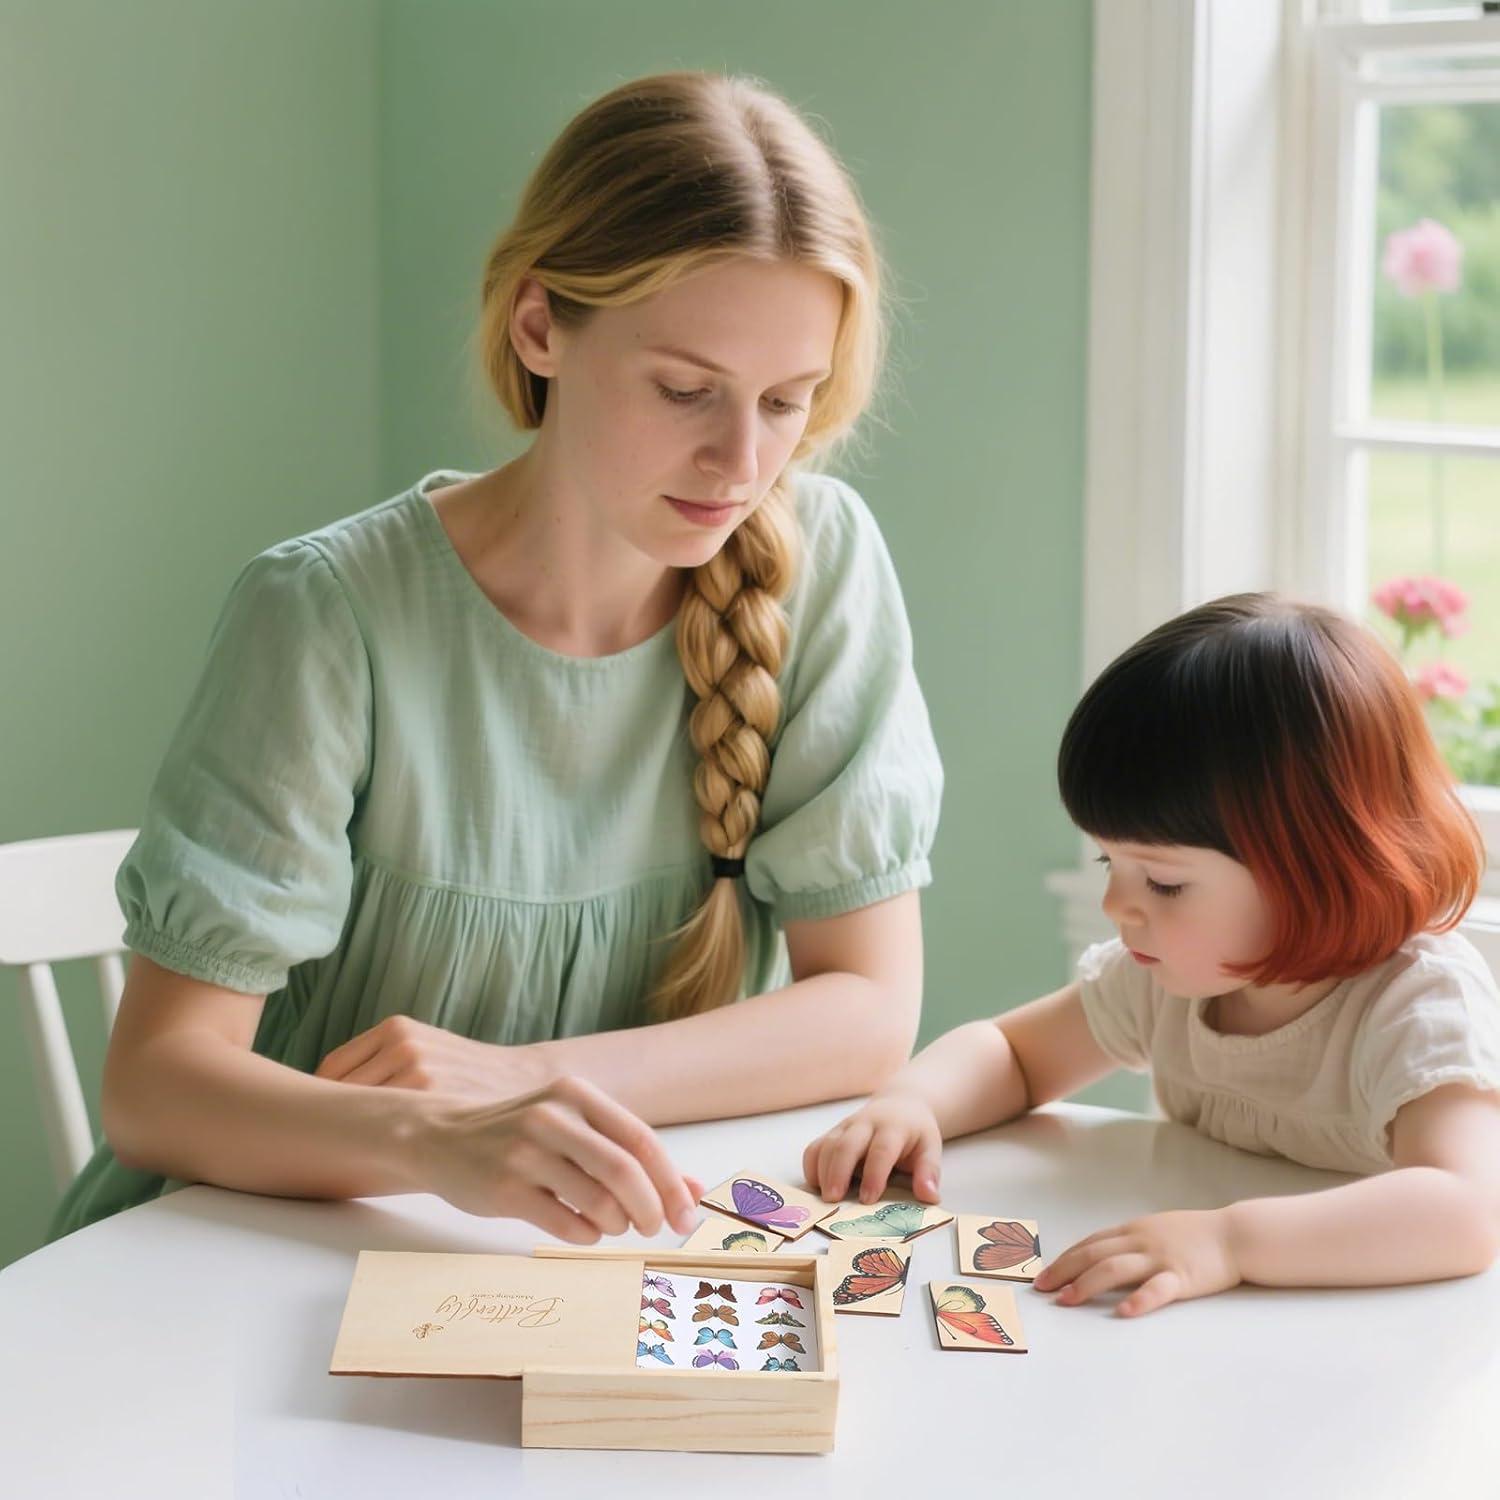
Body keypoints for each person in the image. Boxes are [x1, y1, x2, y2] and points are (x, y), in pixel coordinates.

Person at [52, 71, 942, 1243]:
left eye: (789, 400)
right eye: (686, 389)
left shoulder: (820, 566)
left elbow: (870, 1011)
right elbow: (155, 1088)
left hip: (566, 1251)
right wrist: (432, 1139)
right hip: (239, 1257)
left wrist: (519, 1080)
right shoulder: (326, 612)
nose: (742, 461)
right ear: (540, 327)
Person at [804, 594, 1500, 1316]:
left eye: (1164, 882)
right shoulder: (1170, 983)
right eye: (1111, 866)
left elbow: (1466, 1211)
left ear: (1321, 866)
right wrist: (913, 1102)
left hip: (1381, 1348)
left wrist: (1230, 1244)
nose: (1118, 907)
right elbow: (1015, 1055)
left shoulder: (1417, 1004)